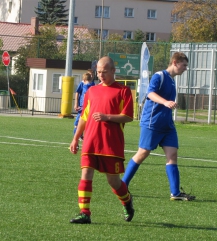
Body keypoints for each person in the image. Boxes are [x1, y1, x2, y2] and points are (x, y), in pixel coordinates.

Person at [122, 52, 196, 201]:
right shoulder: (159, 76)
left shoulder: (172, 80)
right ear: (175, 62)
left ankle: (175, 193)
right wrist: (165, 102)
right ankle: (122, 186)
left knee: (172, 155)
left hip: (167, 125)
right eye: (184, 65)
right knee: (142, 153)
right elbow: (150, 93)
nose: (185, 68)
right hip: (153, 122)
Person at [69, 56, 134, 224]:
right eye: (98, 72)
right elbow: (84, 117)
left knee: (113, 181)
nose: (101, 75)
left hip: (111, 143)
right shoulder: (92, 91)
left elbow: (127, 117)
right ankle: (85, 213)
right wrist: (75, 138)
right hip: (90, 140)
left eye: (104, 72)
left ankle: (127, 202)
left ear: (113, 71)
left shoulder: (123, 91)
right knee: (86, 173)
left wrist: (106, 117)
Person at [73, 71, 95, 141]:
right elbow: (78, 93)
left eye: (91, 75)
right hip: (83, 106)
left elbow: (86, 95)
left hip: (85, 107)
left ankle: (77, 137)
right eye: (90, 75)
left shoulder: (89, 85)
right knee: (81, 122)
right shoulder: (82, 84)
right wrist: (76, 103)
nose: (91, 76)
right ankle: (80, 136)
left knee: (79, 123)